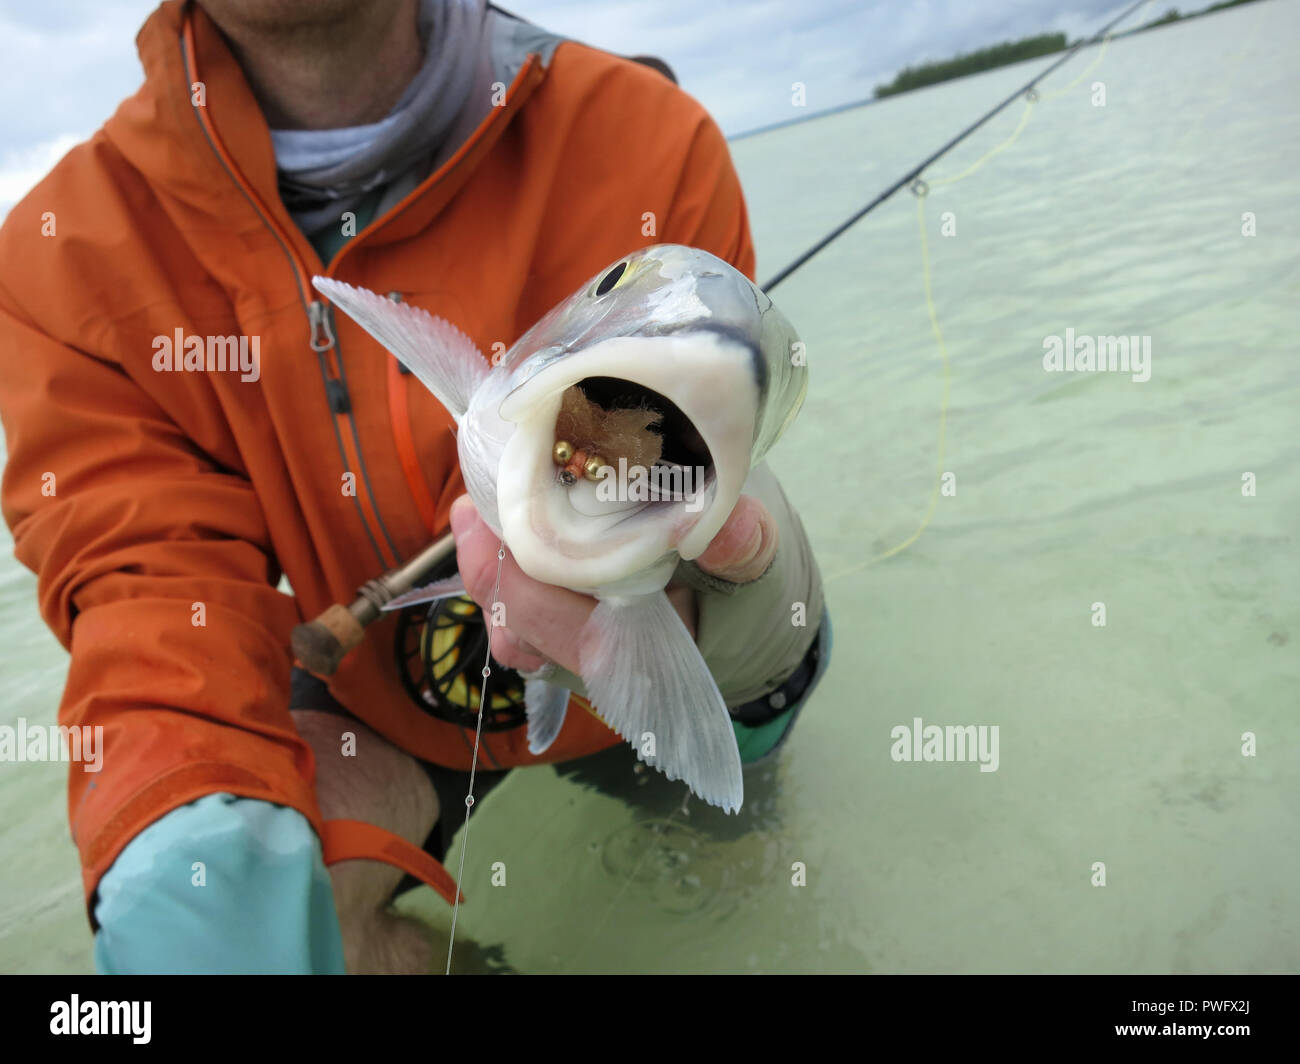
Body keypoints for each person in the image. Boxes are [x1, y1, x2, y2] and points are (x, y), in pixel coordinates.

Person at [0, 0, 828, 974]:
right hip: (388, 701)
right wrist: (181, 822)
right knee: (261, 899)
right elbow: (151, 593)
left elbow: (712, 452)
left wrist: (733, 623)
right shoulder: (60, 262)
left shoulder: (646, 133)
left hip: (658, 669)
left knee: (734, 874)